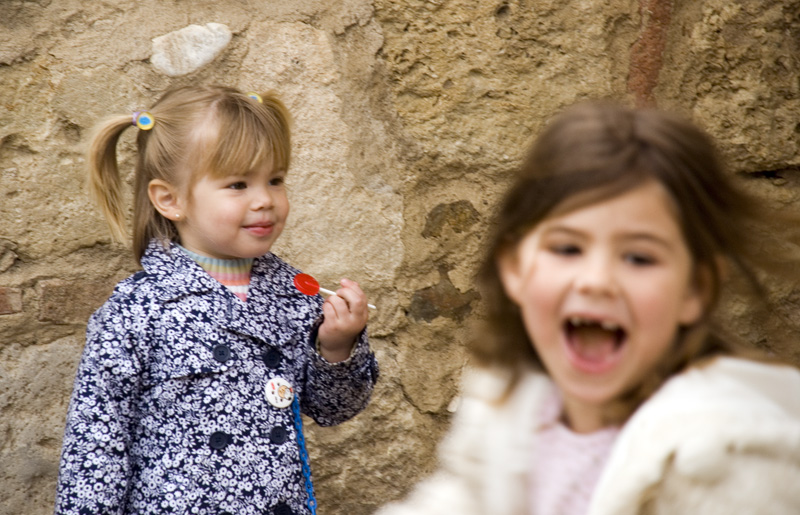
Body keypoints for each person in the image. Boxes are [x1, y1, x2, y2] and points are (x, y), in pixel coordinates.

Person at [377, 101, 800, 515]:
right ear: (515, 269)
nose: (596, 280)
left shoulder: (723, 460)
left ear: (695, 289)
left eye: (639, 257)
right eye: (567, 248)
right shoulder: (513, 402)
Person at [55, 85, 379, 515]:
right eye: (238, 184)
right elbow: (95, 449)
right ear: (170, 200)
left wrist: (337, 347)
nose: (265, 199)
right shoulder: (138, 311)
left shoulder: (293, 294)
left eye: (275, 180)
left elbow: (334, 408)